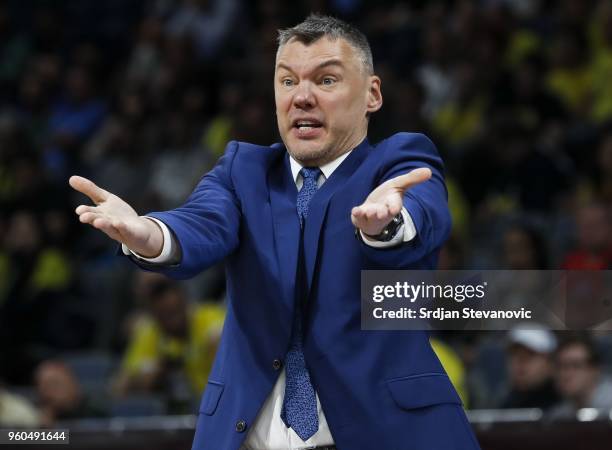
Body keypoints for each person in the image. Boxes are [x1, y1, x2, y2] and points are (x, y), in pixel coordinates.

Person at [70, 14, 480, 450]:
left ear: (371, 95)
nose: (302, 97)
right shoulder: (242, 169)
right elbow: (202, 222)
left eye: (325, 80)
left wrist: (388, 224)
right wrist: (150, 233)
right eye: (287, 82)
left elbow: (422, 210)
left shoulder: (398, 159)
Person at [113, 273, 225, 414]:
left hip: (218, 408)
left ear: (185, 302)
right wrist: (158, 371)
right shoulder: (150, 332)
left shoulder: (208, 317)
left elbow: (222, 343)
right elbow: (119, 387)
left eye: (174, 313)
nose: (172, 321)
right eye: (164, 316)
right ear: (153, 314)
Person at [549, 335, 612, 420]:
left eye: (576, 365)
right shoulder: (558, 414)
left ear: (595, 370)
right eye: (560, 366)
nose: (566, 374)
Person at [500, 323, 560, 410]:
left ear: (550, 363)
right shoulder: (505, 404)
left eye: (530, 355)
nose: (520, 361)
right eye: (514, 354)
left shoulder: (566, 407)